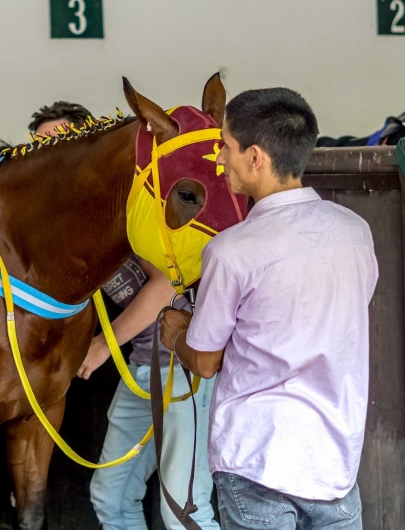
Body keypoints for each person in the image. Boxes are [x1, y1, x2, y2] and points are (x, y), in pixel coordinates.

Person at [160, 88, 379, 530]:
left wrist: (174, 334)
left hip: (257, 461)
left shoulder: (231, 250)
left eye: (226, 145)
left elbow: (204, 361)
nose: (220, 158)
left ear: (255, 157)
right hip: (334, 465)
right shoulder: (355, 232)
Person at [28, 102, 219, 529]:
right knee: (111, 498)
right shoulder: (69, 224)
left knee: (183, 511)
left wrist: (102, 345)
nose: (49, 158)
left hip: (184, 369)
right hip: (143, 367)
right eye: (39, 148)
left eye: (58, 144)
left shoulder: (130, 206)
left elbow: (166, 284)